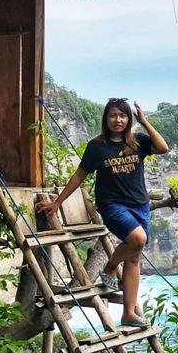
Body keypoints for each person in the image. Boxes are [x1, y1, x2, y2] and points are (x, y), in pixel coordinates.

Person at [39, 97, 170, 327]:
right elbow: (80, 175)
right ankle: (110, 267)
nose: (118, 120)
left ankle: (128, 313)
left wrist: (145, 121)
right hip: (112, 205)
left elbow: (162, 148)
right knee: (138, 239)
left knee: (134, 256)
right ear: (105, 119)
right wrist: (58, 202)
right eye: (113, 115)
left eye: (122, 115)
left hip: (139, 204)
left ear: (129, 119)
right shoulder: (97, 146)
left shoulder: (138, 141)